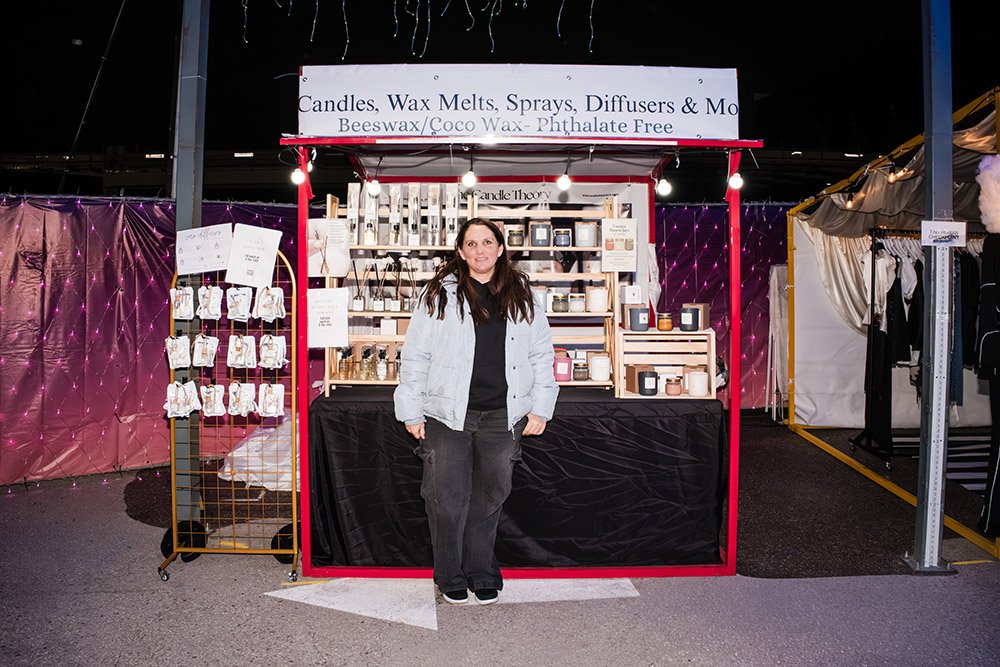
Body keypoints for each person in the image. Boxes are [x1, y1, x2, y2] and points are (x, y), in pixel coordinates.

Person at [394, 217, 558, 605]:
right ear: (461, 251)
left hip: (504, 414)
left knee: (491, 495)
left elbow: (540, 354)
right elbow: (415, 354)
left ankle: (480, 569)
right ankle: (450, 572)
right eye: (471, 243)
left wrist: (540, 407)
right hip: (447, 414)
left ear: (501, 248)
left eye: (488, 242)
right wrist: (411, 410)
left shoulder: (523, 295)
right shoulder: (440, 295)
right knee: (446, 499)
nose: (480, 250)